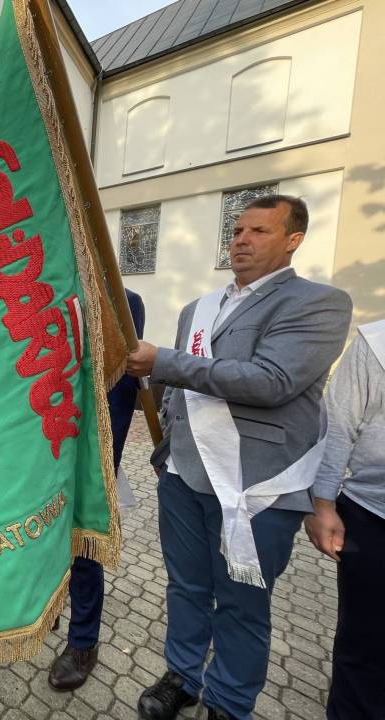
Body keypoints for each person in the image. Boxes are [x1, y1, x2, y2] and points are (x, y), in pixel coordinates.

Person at [126, 195, 352, 720]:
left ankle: (228, 701)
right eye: (237, 231)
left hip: (256, 486)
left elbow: (272, 381)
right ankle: (182, 676)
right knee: (186, 586)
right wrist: (165, 442)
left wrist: (163, 360)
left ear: (293, 239)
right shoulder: (198, 308)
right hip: (183, 475)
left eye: (259, 231)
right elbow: (178, 389)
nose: (242, 240)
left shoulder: (318, 303)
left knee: (242, 602)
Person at [48, 287, 145, 692]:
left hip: (85, 452)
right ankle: (46, 607)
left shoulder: (121, 301)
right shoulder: (46, 291)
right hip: (41, 449)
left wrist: (103, 463)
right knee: (44, 539)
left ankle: (83, 642)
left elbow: (118, 394)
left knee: (83, 546)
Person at [305, 317, 385, 720]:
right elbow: (338, 425)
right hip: (373, 515)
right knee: (366, 645)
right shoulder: (377, 343)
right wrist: (322, 503)